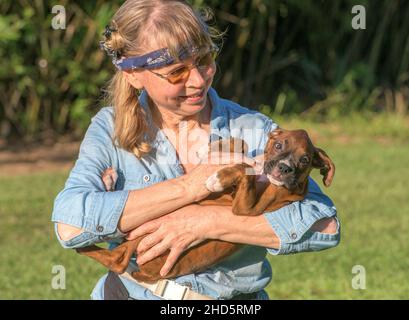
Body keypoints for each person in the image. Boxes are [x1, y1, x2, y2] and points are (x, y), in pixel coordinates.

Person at [51, 0, 340, 300]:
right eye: (177, 72)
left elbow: (325, 225)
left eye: (204, 59)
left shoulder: (251, 129)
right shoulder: (109, 129)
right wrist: (190, 187)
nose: (199, 79)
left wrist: (207, 222)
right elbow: (69, 225)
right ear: (134, 74)